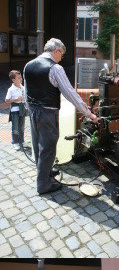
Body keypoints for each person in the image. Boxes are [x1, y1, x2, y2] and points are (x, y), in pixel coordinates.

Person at [24, 38, 98, 195]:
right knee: (48, 147)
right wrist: (89, 113)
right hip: (47, 112)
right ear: (56, 50)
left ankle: (45, 173)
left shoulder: (28, 66)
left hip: (33, 110)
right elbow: (70, 93)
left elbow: (26, 91)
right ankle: (43, 185)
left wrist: (29, 108)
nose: (61, 58)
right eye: (62, 54)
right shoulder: (55, 68)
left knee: (38, 144)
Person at [5, 70, 26, 150]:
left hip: (22, 109)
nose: (21, 79)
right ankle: (15, 142)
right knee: (15, 128)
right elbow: (7, 100)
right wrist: (15, 99)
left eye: (21, 77)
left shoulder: (23, 87)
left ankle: (22, 141)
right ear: (13, 80)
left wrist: (24, 99)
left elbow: (25, 97)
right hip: (15, 110)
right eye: (19, 78)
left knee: (22, 126)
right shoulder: (11, 89)